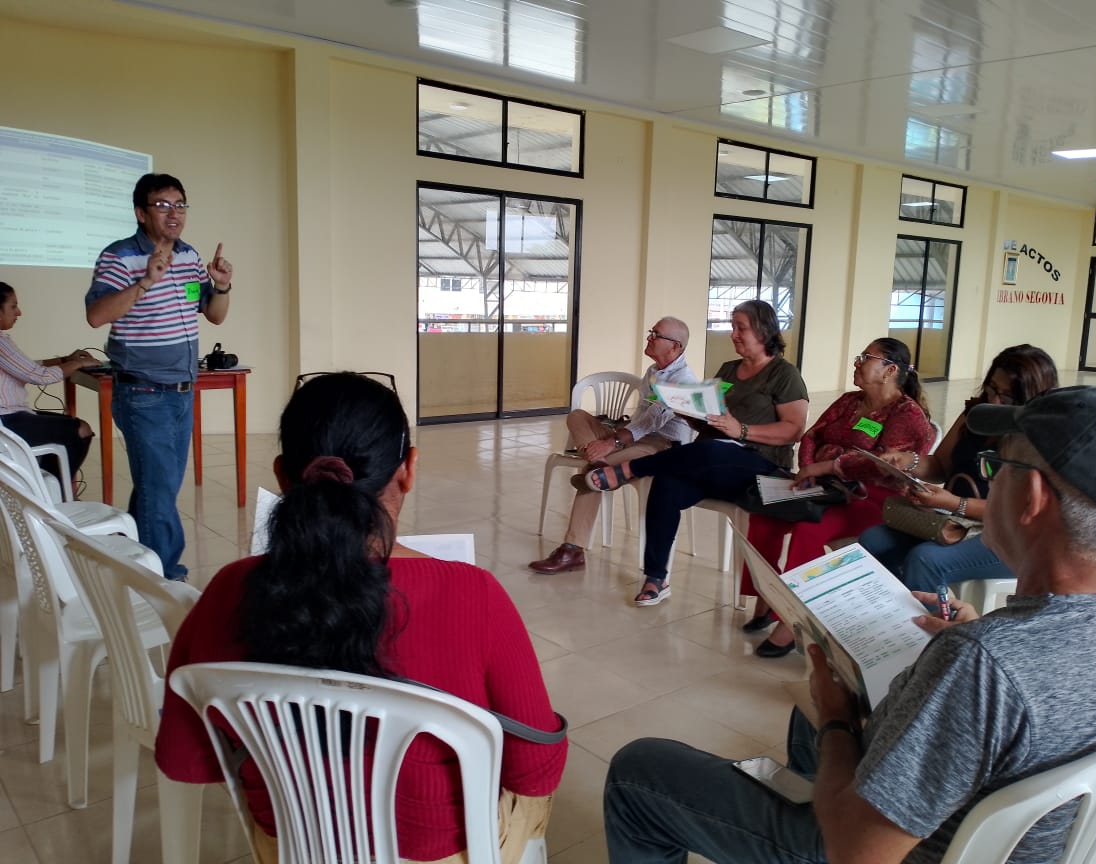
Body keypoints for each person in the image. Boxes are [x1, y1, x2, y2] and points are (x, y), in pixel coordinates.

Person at [602, 385, 1096, 864]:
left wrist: (838, 719)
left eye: (997, 467)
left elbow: (855, 852)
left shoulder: (986, 665)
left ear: (1030, 497)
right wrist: (972, 634)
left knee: (639, 770)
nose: (989, 481)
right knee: (809, 722)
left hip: (880, 847)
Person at [156, 373, 567, 863]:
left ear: (283, 476)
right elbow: (534, 771)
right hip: (440, 853)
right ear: (408, 469)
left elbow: (184, 760)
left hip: (289, 846)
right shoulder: (473, 593)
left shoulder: (229, 589)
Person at [584, 300, 808, 606]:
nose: (733, 334)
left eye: (740, 328)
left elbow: (794, 429)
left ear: (764, 330)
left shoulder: (784, 374)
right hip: (711, 460)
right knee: (667, 483)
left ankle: (631, 468)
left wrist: (741, 431)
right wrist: (687, 411)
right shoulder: (729, 369)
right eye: (732, 327)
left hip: (758, 464)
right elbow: (711, 417)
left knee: (711, 450)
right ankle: (656, 577)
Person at [85, 173, 233, 581]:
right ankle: (166, 579)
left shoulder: (189, 256)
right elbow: (96, 315)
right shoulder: (119, 257)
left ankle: (133, 560)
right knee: (160, 490)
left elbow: (214, 315)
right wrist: (146, 281)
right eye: (163, 205)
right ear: (141, 213)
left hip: (182, 391)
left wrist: (222, 286)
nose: (174, 213)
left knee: (157, 488)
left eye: (180, 205)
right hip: (143, 392)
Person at [745, 338, 934, 657]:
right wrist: (808, 469)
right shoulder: (849, 401)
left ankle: (793, 619)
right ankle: (769, 597)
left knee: (809, 529)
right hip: (829, 488)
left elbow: (881, 465)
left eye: (866, 357)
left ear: (890, 370)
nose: (857, 362)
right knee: (765, 515)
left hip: (876, 499)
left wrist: (827, 464)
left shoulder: (907, 414)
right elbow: (812, 436)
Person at [859, 344, 1058, 593]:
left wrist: (954, 503)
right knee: (872, 541)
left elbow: (1019, 510)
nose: (995, 401)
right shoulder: (976, 414)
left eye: (1007, 397)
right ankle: (892, 608)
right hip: (954, 520)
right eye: (992, 389)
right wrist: (909, 462)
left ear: (1031, 398)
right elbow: (941, 466)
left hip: (1013, 534)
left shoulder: (1041, 435)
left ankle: (937, 617)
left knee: (925, 560)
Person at [530, 317, 696, 574]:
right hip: (633, 435)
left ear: (675, 346)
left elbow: (651, 423)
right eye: (651, 332)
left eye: (656, 335)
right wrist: (612, 438)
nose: (649, 337)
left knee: (599, 474)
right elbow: (640, 418)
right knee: (577, 417)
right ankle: (594, 461)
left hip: (662, 445)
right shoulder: (653, 371)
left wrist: (613, 442)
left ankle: (573, 549)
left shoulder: (683, 381)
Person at [0, 281, 101, 483]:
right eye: (13, 306)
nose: (19, 312)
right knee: (81, 429)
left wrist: (65, 360)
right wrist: (79, 363)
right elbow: (40, 376)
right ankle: (54, 492)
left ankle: (47, 489)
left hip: (11, 417)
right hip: (8, 421)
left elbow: (27, 366)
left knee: (69, 426)